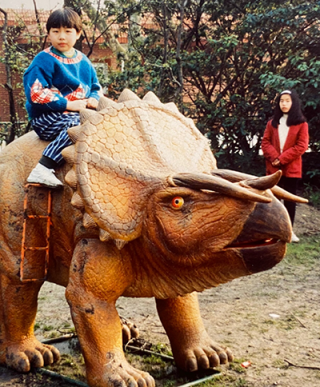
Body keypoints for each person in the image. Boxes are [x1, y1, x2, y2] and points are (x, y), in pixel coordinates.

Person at [24, 7, 101, 188]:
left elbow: (96, 87)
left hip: (76, 114)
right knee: (79, 126)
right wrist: (69, 104)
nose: (61, 37)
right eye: (56, 31)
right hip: (47, 118)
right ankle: (43, 167)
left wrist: (94, 99)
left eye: (68, 31)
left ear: (79, 34)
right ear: (48, 33)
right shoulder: (43, 60)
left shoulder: (84, 61)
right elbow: (35, 93)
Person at [261, 89, 309, 243]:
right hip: (273, 169)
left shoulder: (301, 124)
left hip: (291, 168)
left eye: (288, 101)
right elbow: (265, 142)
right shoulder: (272, 123)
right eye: (282, 101)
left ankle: (289, 231)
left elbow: (301, 146)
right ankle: (272, 231)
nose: (284, 104)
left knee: (289, 200)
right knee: (273, 199)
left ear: (293, 102)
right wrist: (275, 158)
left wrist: (282, 159)